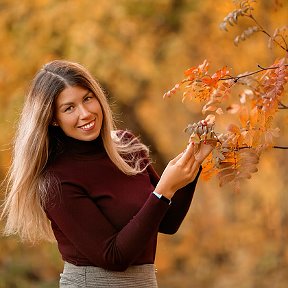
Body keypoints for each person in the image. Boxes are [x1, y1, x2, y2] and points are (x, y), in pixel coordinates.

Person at [1, 60, 215, 287]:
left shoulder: (126, 146)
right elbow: (113, 257)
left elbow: (168, 222)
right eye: (69, 108)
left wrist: (194, 160)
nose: (85, 113)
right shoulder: (57, 180)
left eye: (87, 98)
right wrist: (164, 190)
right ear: (53, 118)